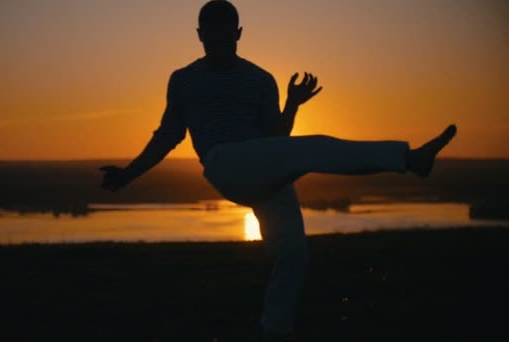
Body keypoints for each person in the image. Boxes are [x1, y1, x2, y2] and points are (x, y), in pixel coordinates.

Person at [100, 1, 457, 340]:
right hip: (225, 163)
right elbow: (168, 136)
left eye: (225, 35)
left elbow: (276, 139)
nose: (219, 43)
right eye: (212, 36)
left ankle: (274, 331)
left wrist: (292, 105)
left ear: (239, 33)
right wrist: (128, 174)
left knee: (293, 254)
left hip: (264, 168)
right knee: (309, 148)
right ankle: (409, 160)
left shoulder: (260, 80)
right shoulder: (184, 80)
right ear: (199, 35)